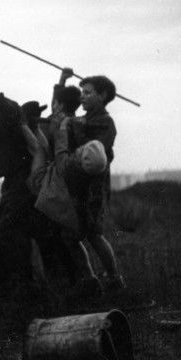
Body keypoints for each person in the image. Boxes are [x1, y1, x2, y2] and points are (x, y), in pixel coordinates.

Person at [0, 76, 72, 290]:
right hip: (12, 181)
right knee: (11, 232)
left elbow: (12, 107)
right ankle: (29, 284)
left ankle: (24, 285)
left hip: (25, 177)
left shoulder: (6, 115)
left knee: (7, 231)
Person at [23, 118, 107, 297]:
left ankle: (26, 125)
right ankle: (90, 277)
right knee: (74, 244)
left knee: (39, 152)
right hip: (74, 218)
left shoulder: (68, 166)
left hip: (46, 193)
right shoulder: (93, 176)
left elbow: (60, 150)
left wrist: (62, 128)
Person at [68, 76, 124, 291]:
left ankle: (114, 278)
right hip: (78, 186)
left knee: (94, 234)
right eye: (82, 93)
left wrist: (79, 129)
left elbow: (95, 153)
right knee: (71, 234)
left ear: (103, 96)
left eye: (88, 93)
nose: (82, 97)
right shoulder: (82, 120)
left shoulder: (106, 123)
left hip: (95, 188)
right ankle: (90, 279)